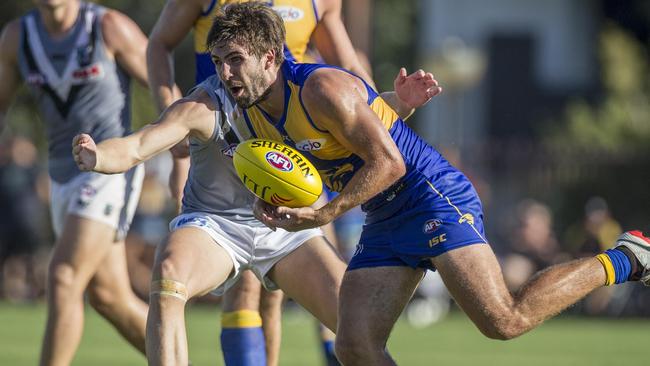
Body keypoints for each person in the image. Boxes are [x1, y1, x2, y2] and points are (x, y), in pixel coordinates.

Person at [205, 4, 650, 365]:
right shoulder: (248, 113)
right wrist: (270, 201)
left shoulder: (322, 89)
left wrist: (324, 214)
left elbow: (390, 162)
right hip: (382, 215)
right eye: (219, 61)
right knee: (355, 347)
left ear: (270, 57)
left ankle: (627, 256)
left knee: (503, 320)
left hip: (428, 195)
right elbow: (306, 162)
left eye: (235, 60)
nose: (225, 73)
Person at [145, 0, 429, 364]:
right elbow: (158, 44)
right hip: (224, 146)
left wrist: (378, 122)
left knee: (304, 285)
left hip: (295, 151)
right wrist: (174, 127)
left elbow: (350, 67)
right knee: (245, 287)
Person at [0, 0, 150, 364]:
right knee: (108, 296)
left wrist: (182, 153)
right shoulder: (17, 37)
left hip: (109, 171)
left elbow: (168, 90)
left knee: (64, 277)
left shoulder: (110, 27)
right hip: (61, 176)